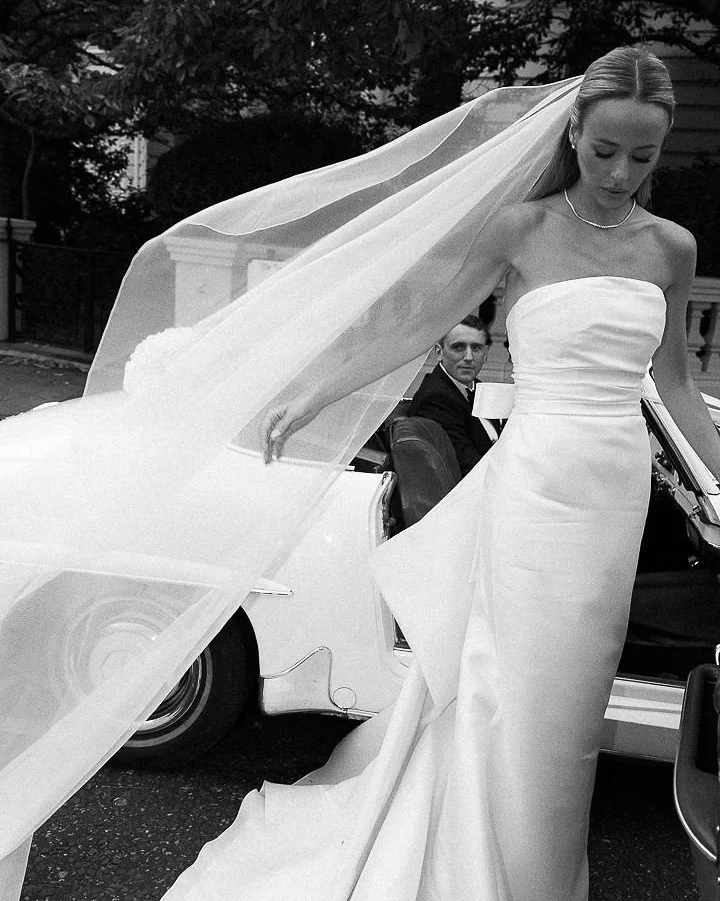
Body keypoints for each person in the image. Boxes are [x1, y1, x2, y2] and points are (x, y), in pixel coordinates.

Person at [2, 48, 719, 901]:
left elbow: (674, 380)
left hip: (613, 498)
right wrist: (312, 390)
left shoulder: (671, 247)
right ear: (574, 131)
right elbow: (415, 322)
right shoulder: (521, 229)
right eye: (605, 150)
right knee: (514, 687)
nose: (621, 173)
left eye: (643, 157)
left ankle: (543, 869)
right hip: (533, 489)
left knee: (572, 701)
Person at [408, 314, 497, 475]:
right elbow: (468, 467)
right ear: (439, 352)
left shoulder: (479, 387)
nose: (469, 357)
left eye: (476, 348)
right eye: (458, 347)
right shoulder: (436, 399)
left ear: (485, 354)